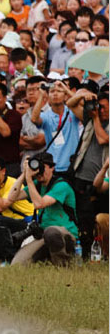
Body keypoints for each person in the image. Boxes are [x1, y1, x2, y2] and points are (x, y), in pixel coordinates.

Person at [8, 153, 79, 266]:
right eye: (36, 167)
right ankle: (47, 258)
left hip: (65, 233)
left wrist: (30, 181)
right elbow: (11, 197)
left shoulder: (62, 185)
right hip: (42, 234)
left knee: (51, 232)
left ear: (52, 168)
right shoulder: (37, 185)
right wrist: (24, 174)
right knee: (17, 264)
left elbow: (39, 204)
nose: (39, 171)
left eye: (42, 167)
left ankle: (62, 265)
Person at [66, 87, 109, 256]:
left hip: (102, 180)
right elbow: (70, 104)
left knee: (97, 218)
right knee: (82, 218)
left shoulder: (96, 120)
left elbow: (102, 138)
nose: (100, 110)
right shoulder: (91, 118)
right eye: (99, 106)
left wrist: (96, 118)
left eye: (104, 107)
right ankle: (85, 252)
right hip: (81, 176)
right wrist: (82, 95)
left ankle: (101, 252)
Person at [30, 81, 80, 174]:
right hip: (53, 166)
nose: (55, 94)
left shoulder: (72, 112)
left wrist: (66, 89)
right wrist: (41, 95)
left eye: (59, 91)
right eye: (52, 92)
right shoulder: (46, 115)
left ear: (65, 96)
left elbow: (81, 102)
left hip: (72, 165)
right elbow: (34, 119)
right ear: (48, 96)